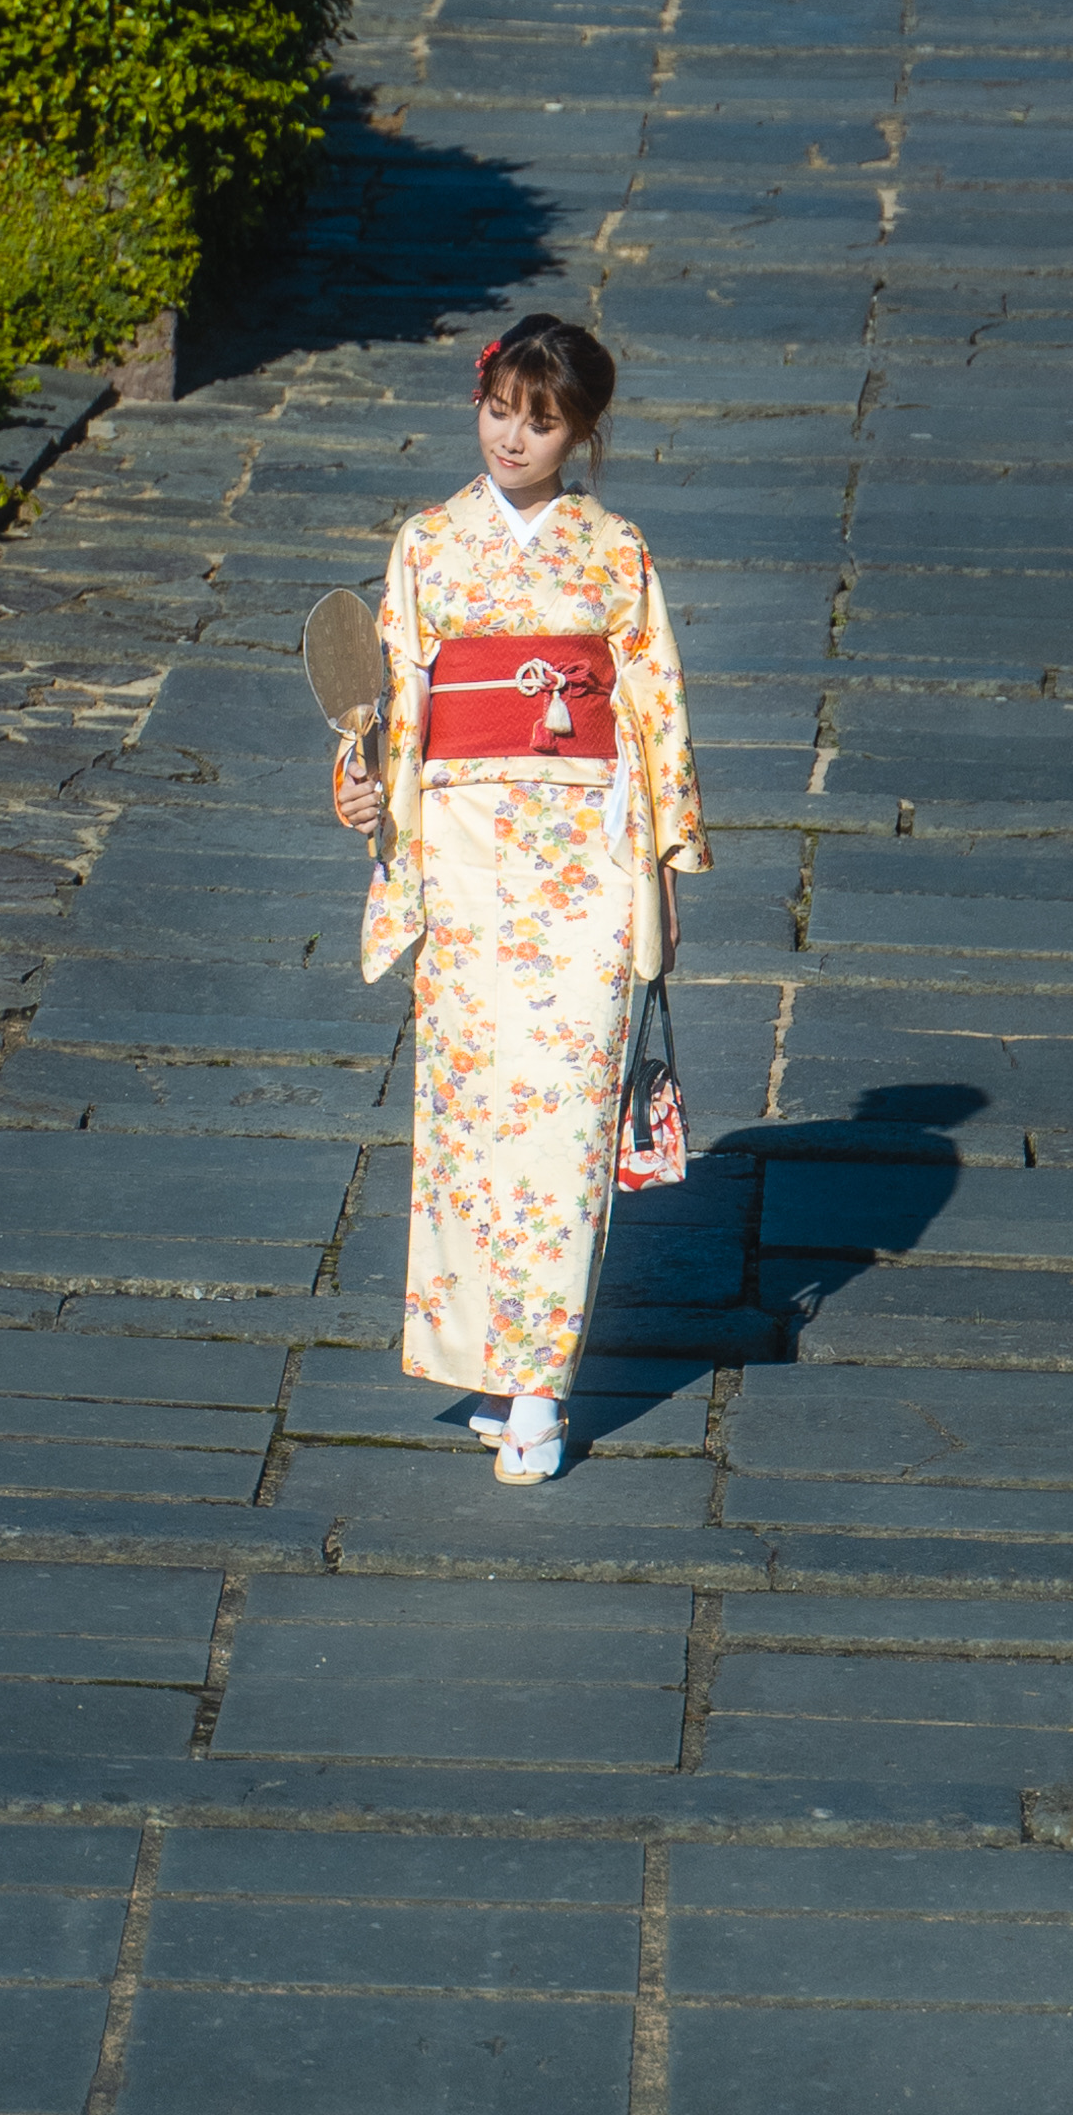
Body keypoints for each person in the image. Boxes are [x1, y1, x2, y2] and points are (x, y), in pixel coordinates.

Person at [332, 314, 706, 1484]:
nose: (512, 436)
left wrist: (659, 867)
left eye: (541, 422)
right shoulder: (429, 544)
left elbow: (653, 713)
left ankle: (541, 1386)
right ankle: (499, 1356)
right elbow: (390, 698)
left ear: (581, 432)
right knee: (467, 1119)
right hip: (463, 850)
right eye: (500, 409)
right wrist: (361, 786)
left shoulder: (615, 550)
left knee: (564, 1120)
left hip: (586, 850)